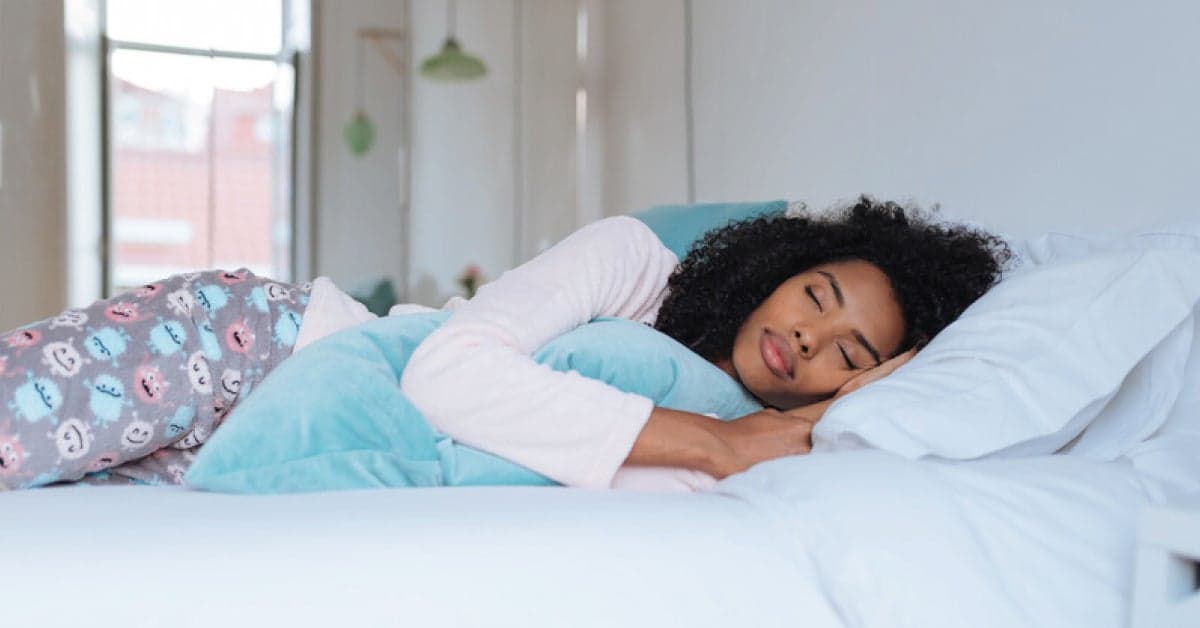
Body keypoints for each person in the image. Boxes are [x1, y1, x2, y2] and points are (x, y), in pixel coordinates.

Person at [0, 197, 1008, 491]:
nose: (806, 335)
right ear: (785, 264)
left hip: (291, 456)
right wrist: (711, 441)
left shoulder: (749, 424)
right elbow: (449, 371)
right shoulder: (635, 261)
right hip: (259, 347)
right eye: (816, 294)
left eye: (849, 351)